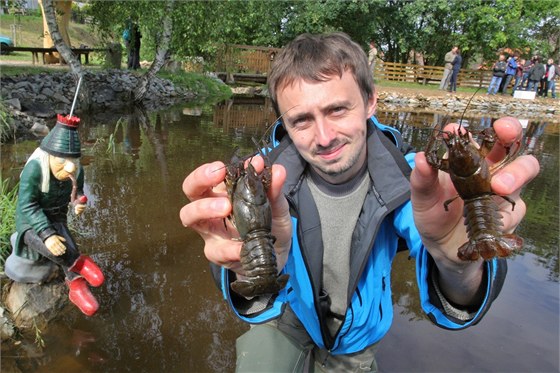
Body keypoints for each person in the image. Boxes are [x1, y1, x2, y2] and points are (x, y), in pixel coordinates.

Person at [180, 32, 539, 371]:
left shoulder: (419, 180)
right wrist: (236, 261)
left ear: (370, 102)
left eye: (337, 110)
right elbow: (233, 254)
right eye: (301, 119)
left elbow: (457, 284)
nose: (324, 137)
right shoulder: (263, 177)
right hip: (286, 316)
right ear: (284, 124)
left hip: (358, 340)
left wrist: (459, 265)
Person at [4, 115, 105, 317]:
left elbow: (78, 193)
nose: (69, 167)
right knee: (58, 250)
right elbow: (27, 204)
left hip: (57, 218)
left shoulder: (76, 170)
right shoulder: (35, 169)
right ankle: (79, 265)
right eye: (61, 160)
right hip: (31, 223)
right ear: (49, 155)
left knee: (69, 246)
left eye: (73, 160)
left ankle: (77, 288)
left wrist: (78, 203)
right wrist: (46, 234)